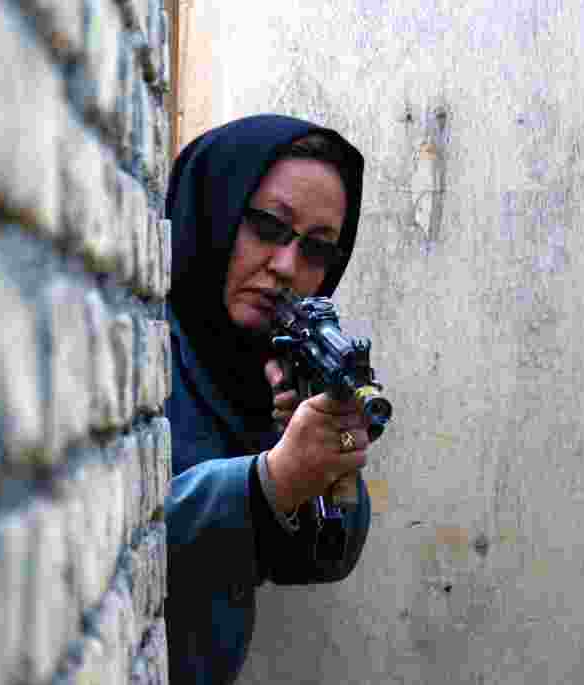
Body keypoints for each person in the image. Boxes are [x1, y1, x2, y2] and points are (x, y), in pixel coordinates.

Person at [163, 114, 374, 685]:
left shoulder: (267, 367)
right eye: (266, 227)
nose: (286, 268)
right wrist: (273, 478)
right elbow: (109, 536)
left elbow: (320, 560)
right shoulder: (127, 332)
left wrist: (332, 470)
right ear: (215, 209)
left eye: (317, 250)